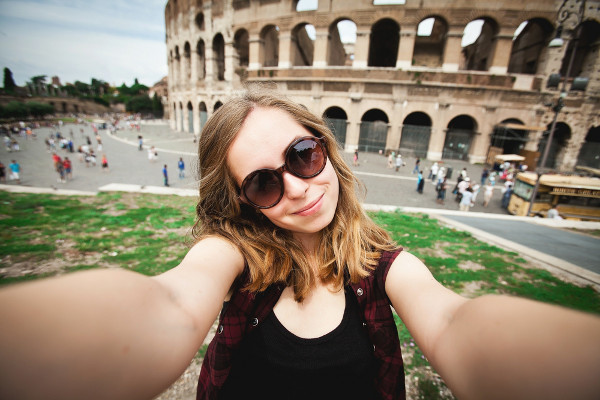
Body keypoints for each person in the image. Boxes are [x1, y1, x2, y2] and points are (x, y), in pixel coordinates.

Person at [0, 88, 599, 400]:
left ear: (325, 148)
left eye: (302, 156)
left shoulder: (386, 267)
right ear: (241, 201)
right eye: (263, 182)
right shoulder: (233, 255)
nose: (297, 188)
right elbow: (170, 306)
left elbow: (455, 327)